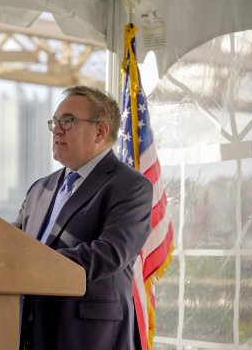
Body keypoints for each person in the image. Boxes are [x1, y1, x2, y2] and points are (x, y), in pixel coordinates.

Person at [14, 86, 153, 350]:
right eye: (54, 122)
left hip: (88, 335)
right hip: (28, 330)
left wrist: (33, 266)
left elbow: (110, 253)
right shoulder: (39, 189)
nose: (56, 130)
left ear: (100, 131)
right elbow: (11, 243)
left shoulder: (130, 185)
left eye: (66, 121)